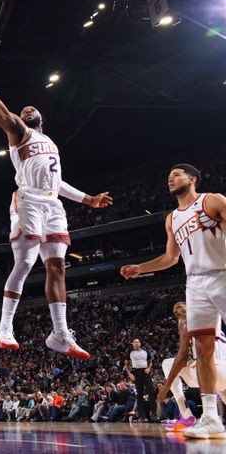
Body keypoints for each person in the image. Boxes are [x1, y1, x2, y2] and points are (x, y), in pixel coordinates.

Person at [0, 46, 112, 358]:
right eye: (23, 109)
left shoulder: (51, 144)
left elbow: (58, 184)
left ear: (42, 118)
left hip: (53, 204)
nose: (27, 109)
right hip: (28, 199)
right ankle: (5, 326)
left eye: (33, 109)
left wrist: (88, 199)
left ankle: (60, 333)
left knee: (57, 266)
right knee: (26, 263)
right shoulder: (20, 132)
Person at [121, 163, 226, 438]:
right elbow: (170, 258)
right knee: (203, 350)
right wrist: (141, 268)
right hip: (195, 282)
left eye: (176, 174)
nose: (171, 178)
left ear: (193, 179)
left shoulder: (212, 201)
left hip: (222, 273)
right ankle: (211, 418)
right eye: (168, 176)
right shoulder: (171, 219)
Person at [157, 302, 226, 432]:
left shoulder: (185, 321)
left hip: (209, 370)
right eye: (175, 310)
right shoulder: (214, 319)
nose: (177, 311)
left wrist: (165, 388)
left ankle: (187, 416)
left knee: (167, 363)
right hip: (222, 371)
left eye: (179, 306)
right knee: (222, 389)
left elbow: (182, 356)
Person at [125, 338, 156, 422]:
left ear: (140, 343)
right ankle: (142, 417)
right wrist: (129, 374)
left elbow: (150, 361)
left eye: (138, 342)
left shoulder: (145, 351)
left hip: (145, 372)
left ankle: (154, 415)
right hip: (136, 373)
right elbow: (126, 364)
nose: (136, 343)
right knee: (139, 394)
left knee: (151, 392)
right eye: (134, 342)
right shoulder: (130, 352)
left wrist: (149, 368)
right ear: (132, 344)